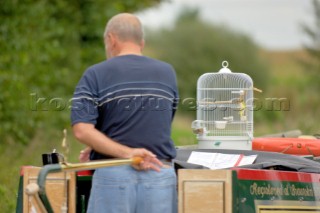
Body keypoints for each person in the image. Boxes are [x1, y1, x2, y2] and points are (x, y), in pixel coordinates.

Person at [71, 13, 179, 213]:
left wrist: (125, 152)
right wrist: (99, 143)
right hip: (160, 174)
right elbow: (158, 123)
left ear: (111, 40)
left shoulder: (96, 73)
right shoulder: (167, 72)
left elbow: (82, 130)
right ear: (142, 43)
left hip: (114, 176)